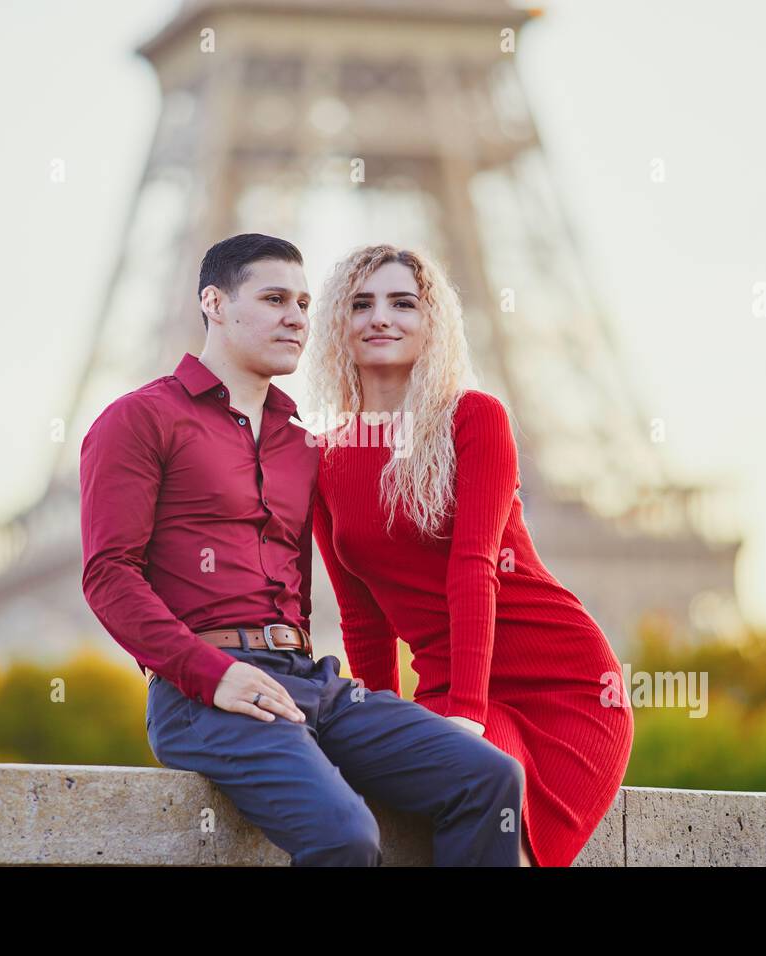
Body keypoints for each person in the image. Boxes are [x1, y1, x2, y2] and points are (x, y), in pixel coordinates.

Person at [79, 232, 524, 866]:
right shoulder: (139, 419)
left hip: (309, 683)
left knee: (489, 778)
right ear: (214, 302)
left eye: (306, 302)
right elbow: (108, 577)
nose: (296, 317)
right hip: (203, 691)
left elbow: (348, 589)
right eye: (274, 298)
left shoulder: (303, 446)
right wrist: (216, 672)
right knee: (345, 835)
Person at [306, 243, 635, 867]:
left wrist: (465, 715)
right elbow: (361, 617)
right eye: (362, 303)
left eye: (404, 302)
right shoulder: (326, 458)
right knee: (482, 788)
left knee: (497, 810)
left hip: (562, 686)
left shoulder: (474, 419)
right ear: (337, 326)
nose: (382, 317)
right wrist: (383, 723)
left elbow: (474, 566)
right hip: (447, 683)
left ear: (432, 323)